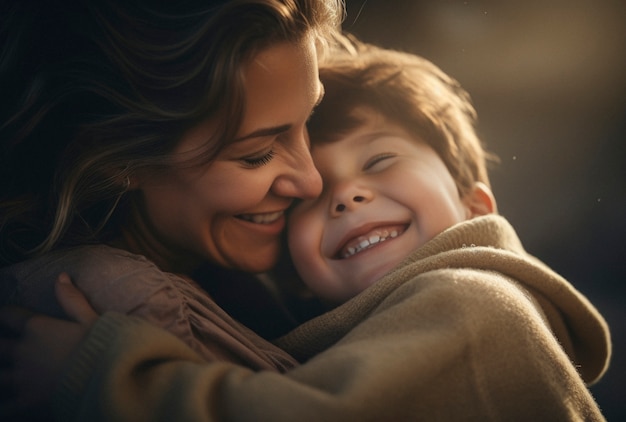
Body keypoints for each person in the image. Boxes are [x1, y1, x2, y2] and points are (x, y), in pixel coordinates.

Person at [1, 34, 611, 420]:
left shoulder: (475, 303)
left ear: (477, 205)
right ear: (297, 277)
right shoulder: (350, 331)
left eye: (378, 161)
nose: (337, 192)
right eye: (258, 155)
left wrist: (104, 376)